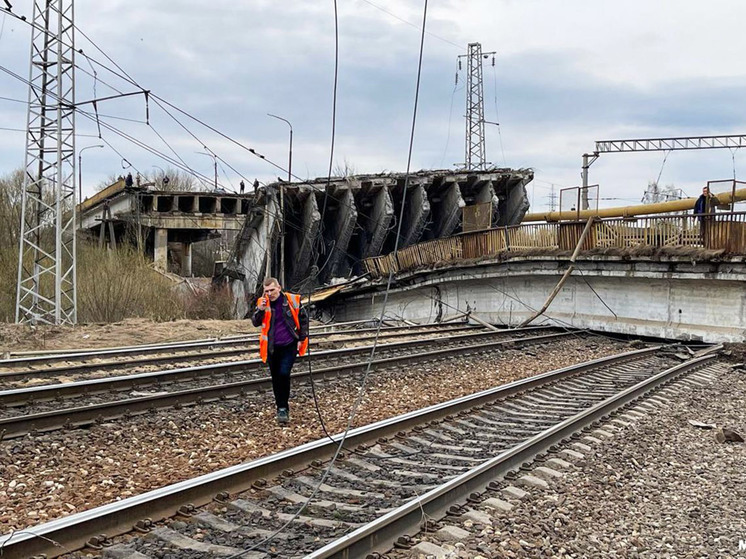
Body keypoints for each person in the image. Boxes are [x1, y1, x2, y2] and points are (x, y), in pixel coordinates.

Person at [251, 277, 309, 424]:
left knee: (284, 374)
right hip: (271, 347)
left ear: (279, 288)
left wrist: (302, 339)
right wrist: (261, 310)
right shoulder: (262, 303)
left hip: (289, 345)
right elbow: (255, 322)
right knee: (276, 378)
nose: (270, 293)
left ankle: (284, 407)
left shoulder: (291, 300)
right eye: (267, 291)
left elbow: (303, 319)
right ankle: (280, 408)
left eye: (272, 290)